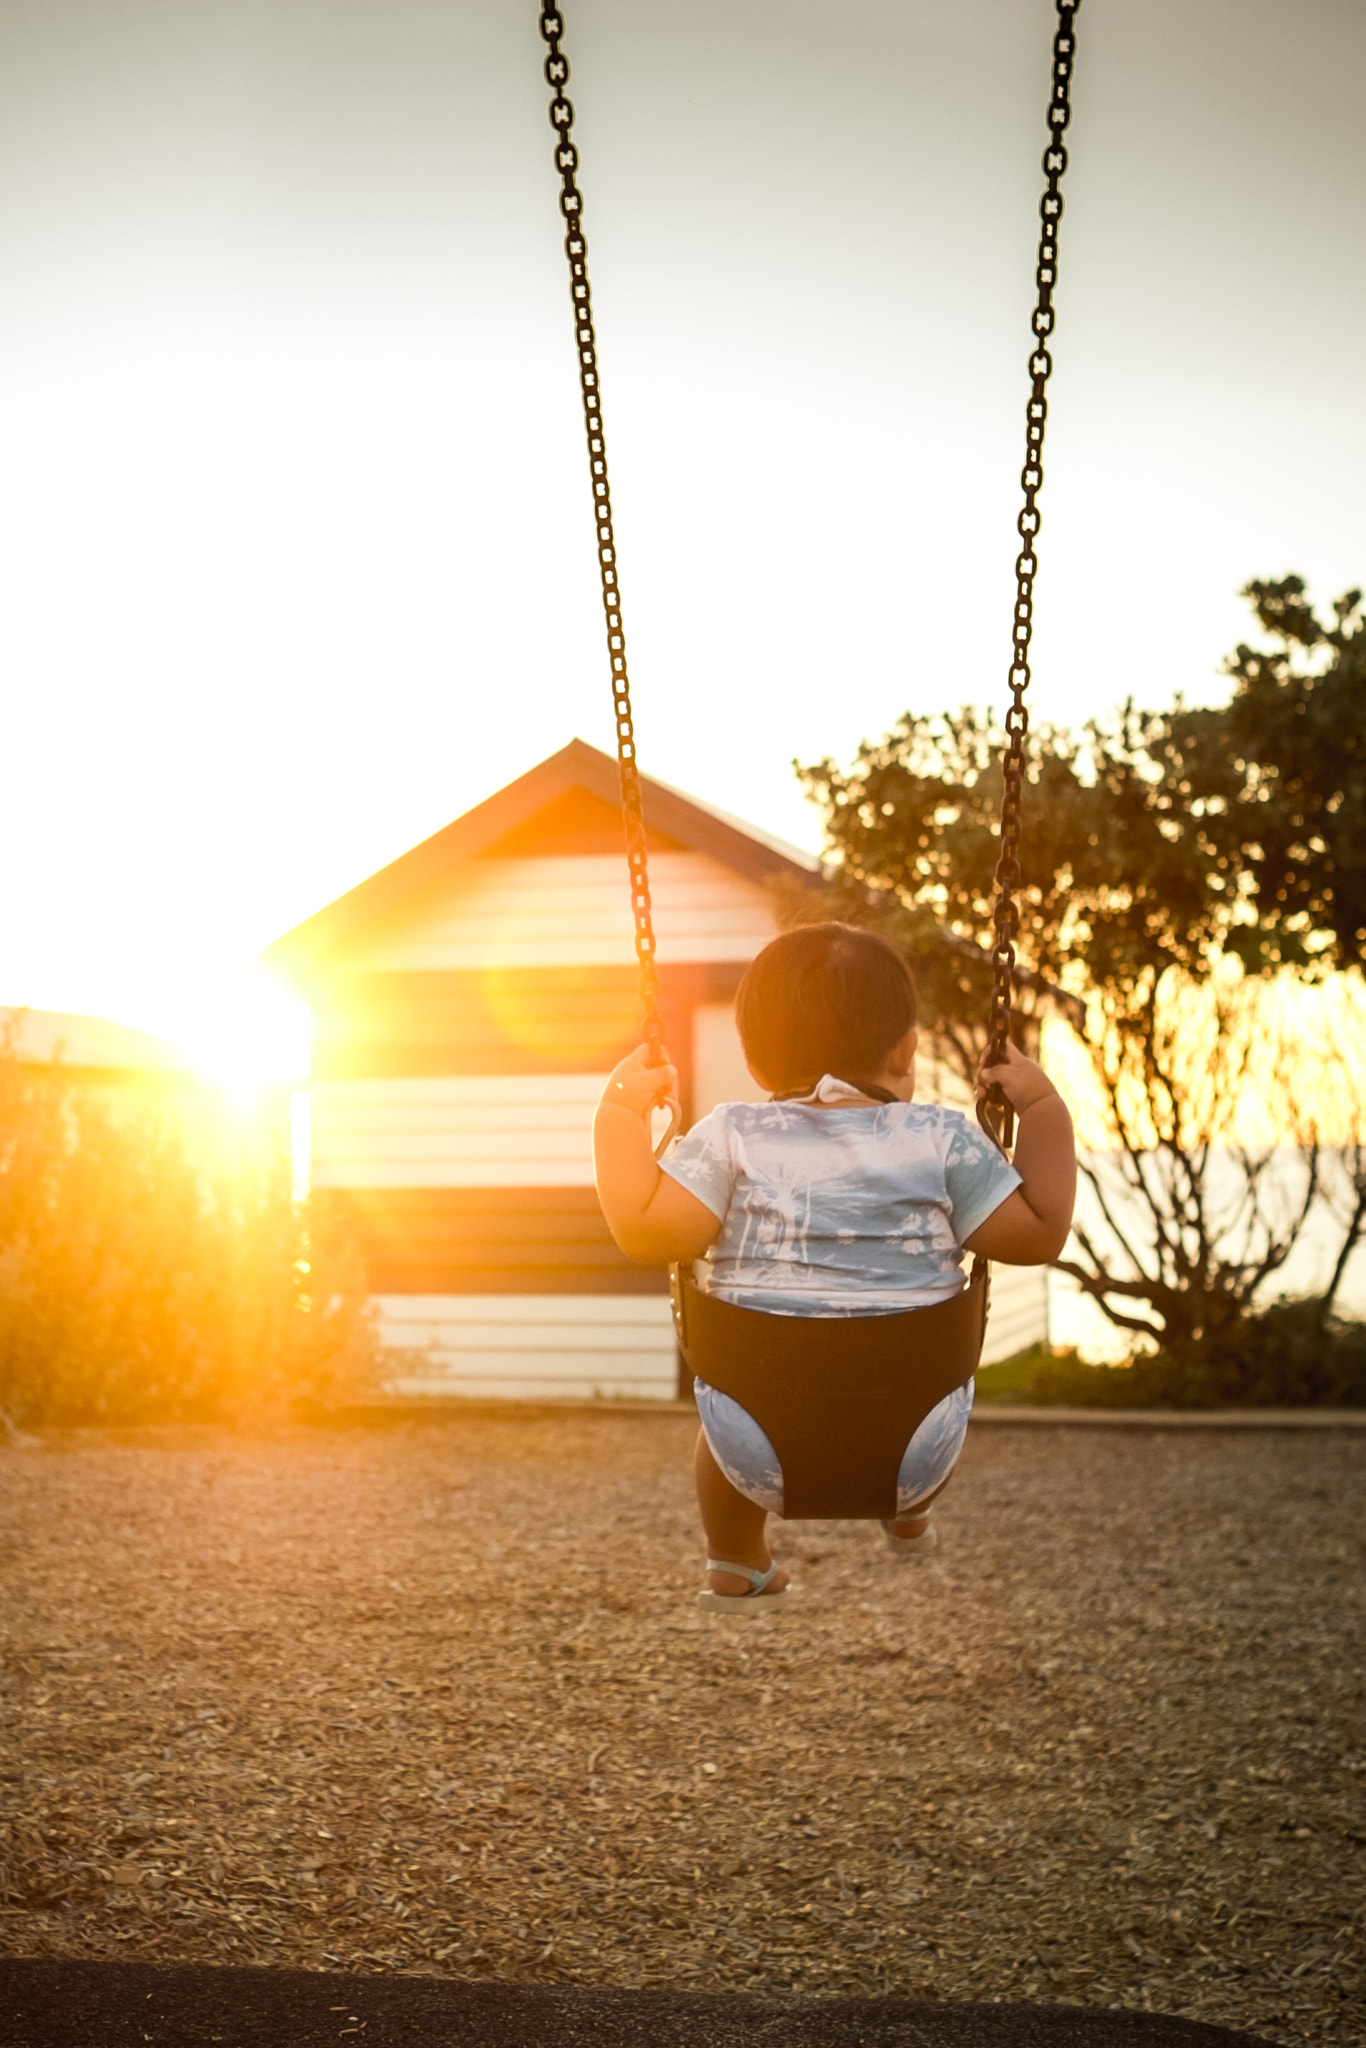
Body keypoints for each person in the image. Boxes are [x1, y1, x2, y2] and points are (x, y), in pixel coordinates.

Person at [592, 923, 1076, 1614]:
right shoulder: (942, 1140)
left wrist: (618, 1115)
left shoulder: (730, 1138)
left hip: (752, 1444)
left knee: (722, 1417)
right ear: (905, 1050)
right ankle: (906, 1511)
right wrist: (1042, 1109)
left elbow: (643, 1232)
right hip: (917, 1450)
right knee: (922, 1401)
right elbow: (1038, 1234)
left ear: (757, 1065)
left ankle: (735, 1557)